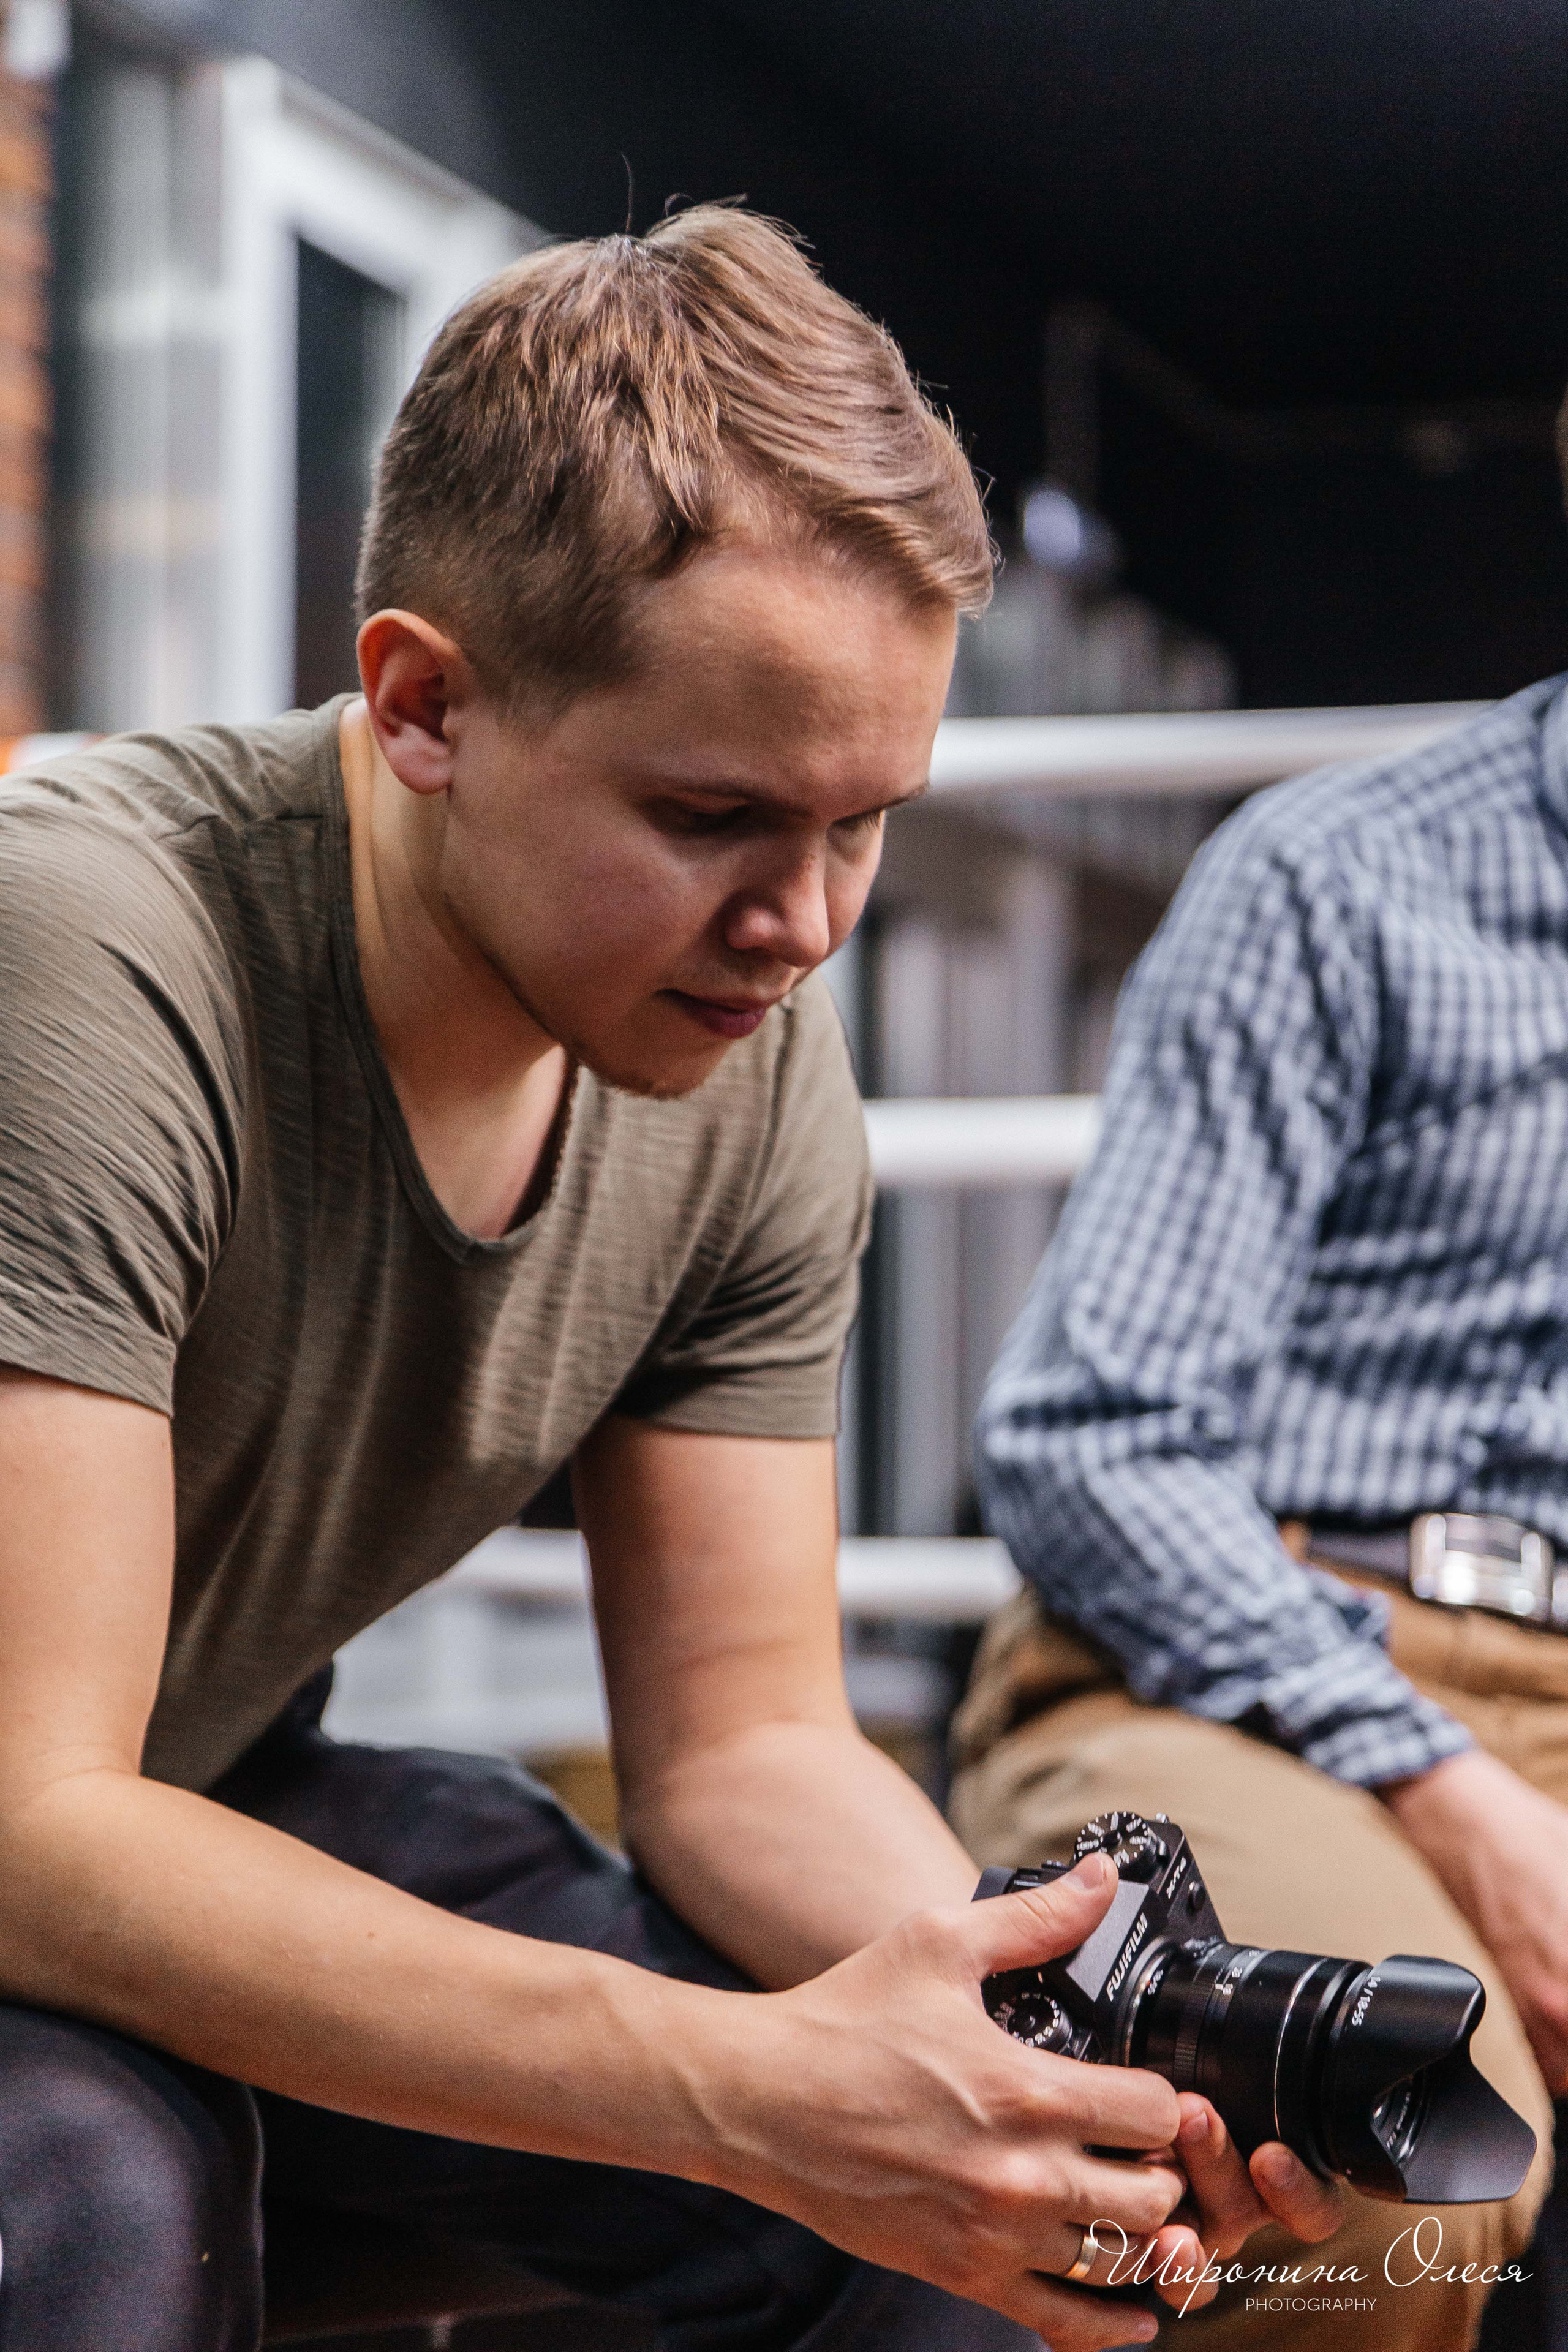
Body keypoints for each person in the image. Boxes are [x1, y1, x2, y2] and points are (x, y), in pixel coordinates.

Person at [0, 208, 1335, 2349]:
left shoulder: (743, 1060)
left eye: (863, 823)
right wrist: (747, 2089)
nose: (802, 926)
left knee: (958, 2214)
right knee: (86, 2201)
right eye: (714, 813)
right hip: (47, 1807)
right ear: (426, 704)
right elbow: (36, 1830)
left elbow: (741, 1743)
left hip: (202, 1774)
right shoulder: (85, 958)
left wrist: (1062, 2036)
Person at [956, 603, 1568, 2348]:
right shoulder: (1342, 877)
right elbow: (1097, 1436)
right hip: (1263, 1655)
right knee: (1389, 2137)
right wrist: (1458, 1794)